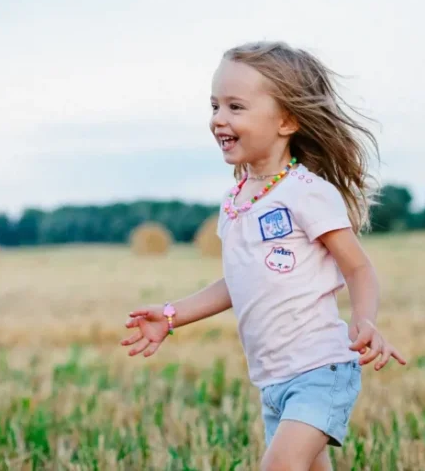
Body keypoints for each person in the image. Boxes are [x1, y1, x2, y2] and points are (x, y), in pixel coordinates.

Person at [120, 42, 406, 471]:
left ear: (287, 120)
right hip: (272, 380)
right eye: (214, 105)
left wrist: (364, 320)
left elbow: (357, 267)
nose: (219, 119)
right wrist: (172, 314)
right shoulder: (236, 201)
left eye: (236, 107)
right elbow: (237, 280)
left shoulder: (308, 193)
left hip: (320, 370)